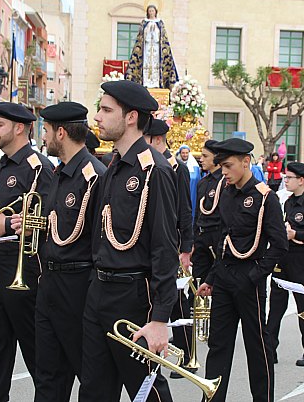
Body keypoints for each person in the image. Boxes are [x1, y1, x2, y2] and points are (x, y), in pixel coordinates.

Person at [80, 80, 178, 401]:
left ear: (131, 117)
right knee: (94, 390)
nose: (98, 117)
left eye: (106, 110)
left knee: (145, 392)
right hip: (99, 292)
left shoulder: (155, 171)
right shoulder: (112, 167)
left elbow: (165, 245)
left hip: (133, 296)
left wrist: (160, 318)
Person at [22, 102, 106, 401]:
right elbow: (55, 223)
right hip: (50, 283)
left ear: (61, 133)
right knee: (47, 375)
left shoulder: (94, 175)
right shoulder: (59, 173)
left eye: (45, 131)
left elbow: (99, 239)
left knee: (87, 372)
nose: (43, 138)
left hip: (78, 286)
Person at [0, 102, 54, 402]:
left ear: (19, 128)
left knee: (35, 350)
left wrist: (6, 224)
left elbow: (45, 219)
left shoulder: (38, 167)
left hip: (24, 267)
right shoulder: (1, 167)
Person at [197, 138, 288, 402]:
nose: (223, 172)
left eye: (228, 166)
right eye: (221, 166)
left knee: (258, 348)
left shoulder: (265, 198)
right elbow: (223, 239)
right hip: (224, 279)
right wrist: (212, 278)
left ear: (246, 162)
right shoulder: (226, 192)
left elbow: (279, 245)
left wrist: (255, 276)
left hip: (250, 281)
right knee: (218, 347)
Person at [143, 119, 195, 375]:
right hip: (154, 241)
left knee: (177, 301)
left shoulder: (177, 167)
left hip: (172, 242)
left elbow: (185, 209)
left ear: (155, 140)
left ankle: (187, 353)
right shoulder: (147, 164)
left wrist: (185, 248)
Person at [267, 162, 304, 367]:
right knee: (275, 307)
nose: (285, 180)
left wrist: (296, 234)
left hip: (300, 257)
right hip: (283, 256)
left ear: (302, 180)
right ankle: (269, 349)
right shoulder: (288, 202)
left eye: (289, 177)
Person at [125, 4, 178, 89]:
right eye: (150, 11)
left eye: (152, 11)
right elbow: (141, 37)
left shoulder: (159, 23)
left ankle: (156, 83)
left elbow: (163, 37)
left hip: (157, 47)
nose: (151, 12)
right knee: (147, 63)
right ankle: (146, 81)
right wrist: (148, 31)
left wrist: (155, 33)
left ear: (155, 12)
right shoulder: (144, 22)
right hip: (147, 47)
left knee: (156, 64)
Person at [192, 140, 223, 284]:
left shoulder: (224, 182)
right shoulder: (202, 183)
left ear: (216, 158)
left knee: (217, 279)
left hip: (216, 235)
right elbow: (198, 213)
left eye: (205, 156)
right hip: (201, 236)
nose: (201, 159)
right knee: (198, 278)